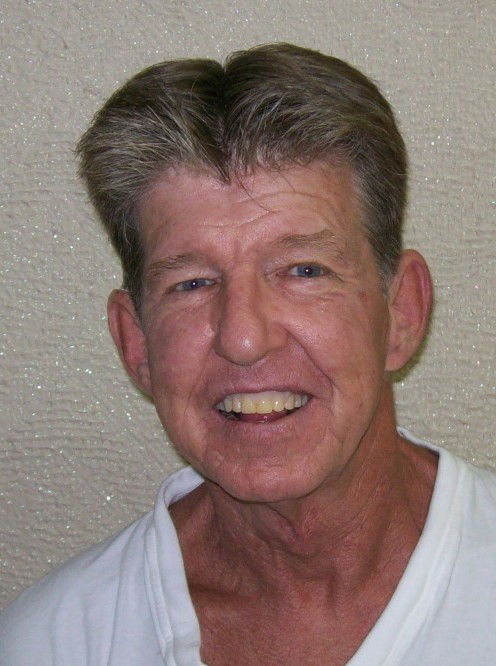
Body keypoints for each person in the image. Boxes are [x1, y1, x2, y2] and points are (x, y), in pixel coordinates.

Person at [1, 43, 495, 666]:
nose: (242, 338)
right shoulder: (50, 645)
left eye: (304, 270)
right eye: (192, 283)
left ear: (403, 312)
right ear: (136, 343)